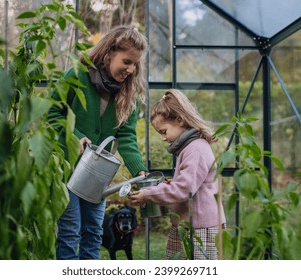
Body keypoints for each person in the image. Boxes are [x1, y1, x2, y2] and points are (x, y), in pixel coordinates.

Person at [48, 26, 148, 260]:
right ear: (109, 52)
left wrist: (139, 170)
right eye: (127, 61)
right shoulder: (76, 74)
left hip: (98, 175)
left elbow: (127, 136)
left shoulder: (128, 92)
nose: (131, 70)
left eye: (135, 64)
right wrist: (74, 137)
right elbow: (53, 114)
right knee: (70, 233)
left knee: (93, 232)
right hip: (69, 169)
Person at [129, 89, 226, 260]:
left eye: (163, 131)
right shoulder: (190, 148)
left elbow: (185, 188)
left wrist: (148, 194)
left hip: (200, 229)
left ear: (180, 120)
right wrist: (168, 184)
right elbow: (189, 183)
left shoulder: (195, 149)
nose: (163, 138)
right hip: (189, 225)